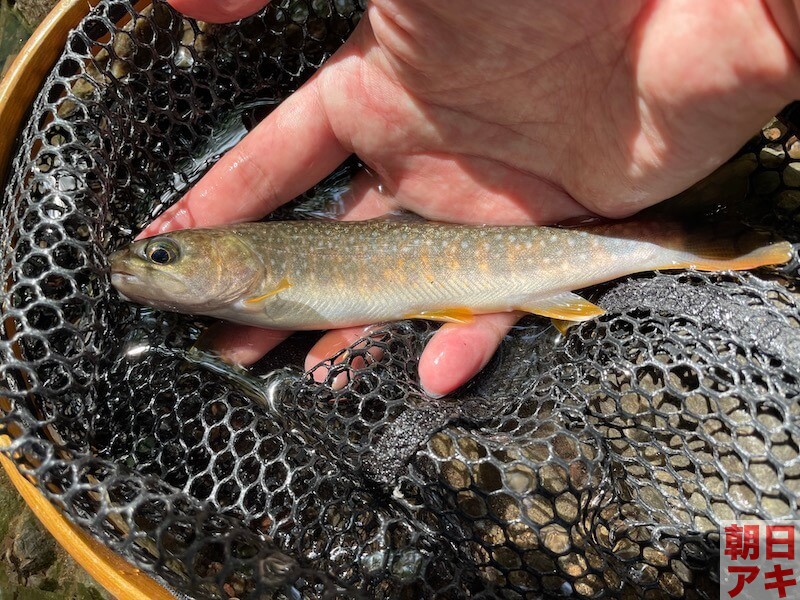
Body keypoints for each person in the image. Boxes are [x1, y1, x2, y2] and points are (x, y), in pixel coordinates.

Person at [143, 0, 800, 397]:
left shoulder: (257, 289)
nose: (151, 262)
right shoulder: (251, 281)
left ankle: (698, 242)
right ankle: (704, 243)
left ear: (230, 251)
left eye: (166, 254)